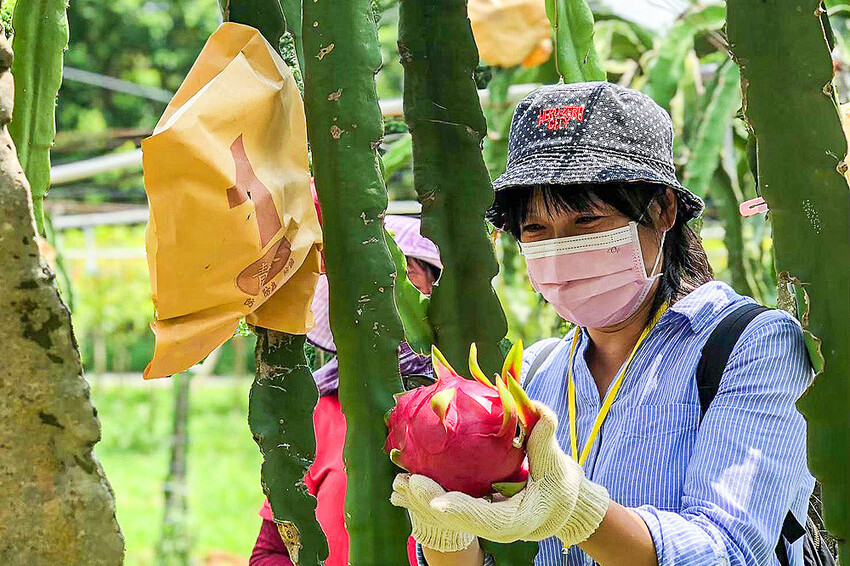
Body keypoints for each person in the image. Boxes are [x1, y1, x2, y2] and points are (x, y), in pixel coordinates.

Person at [391, 82, 815, 566]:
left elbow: (729, 552)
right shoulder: (532, 375)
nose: (558, 247)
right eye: (535, 229)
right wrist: (445, 531)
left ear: (662, 211)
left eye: (585, 220)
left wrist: (577, 513)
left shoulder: (751, 345)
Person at [250, 215, 443, 566]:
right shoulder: (317, 413)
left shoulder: (469, 408)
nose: (381, 298)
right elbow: (273, 551)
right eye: (365, 286)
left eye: (403, 278)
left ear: (435, 292)